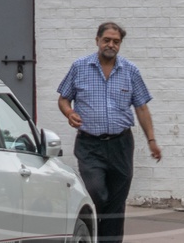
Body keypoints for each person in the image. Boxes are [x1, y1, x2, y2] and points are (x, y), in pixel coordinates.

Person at [56, 22, 161, 243]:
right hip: (89, 144)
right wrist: (69, 112)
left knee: (117, 201)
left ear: (120, 44)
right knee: (96, 190)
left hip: (121, 144)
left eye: (116, 41)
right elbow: (64, 97)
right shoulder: (80, 67)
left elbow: (141, 107)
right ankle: (95, 227)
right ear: (97, 40)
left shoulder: (130, 71)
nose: (111, 45)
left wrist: (152, 140)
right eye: (107, 40)